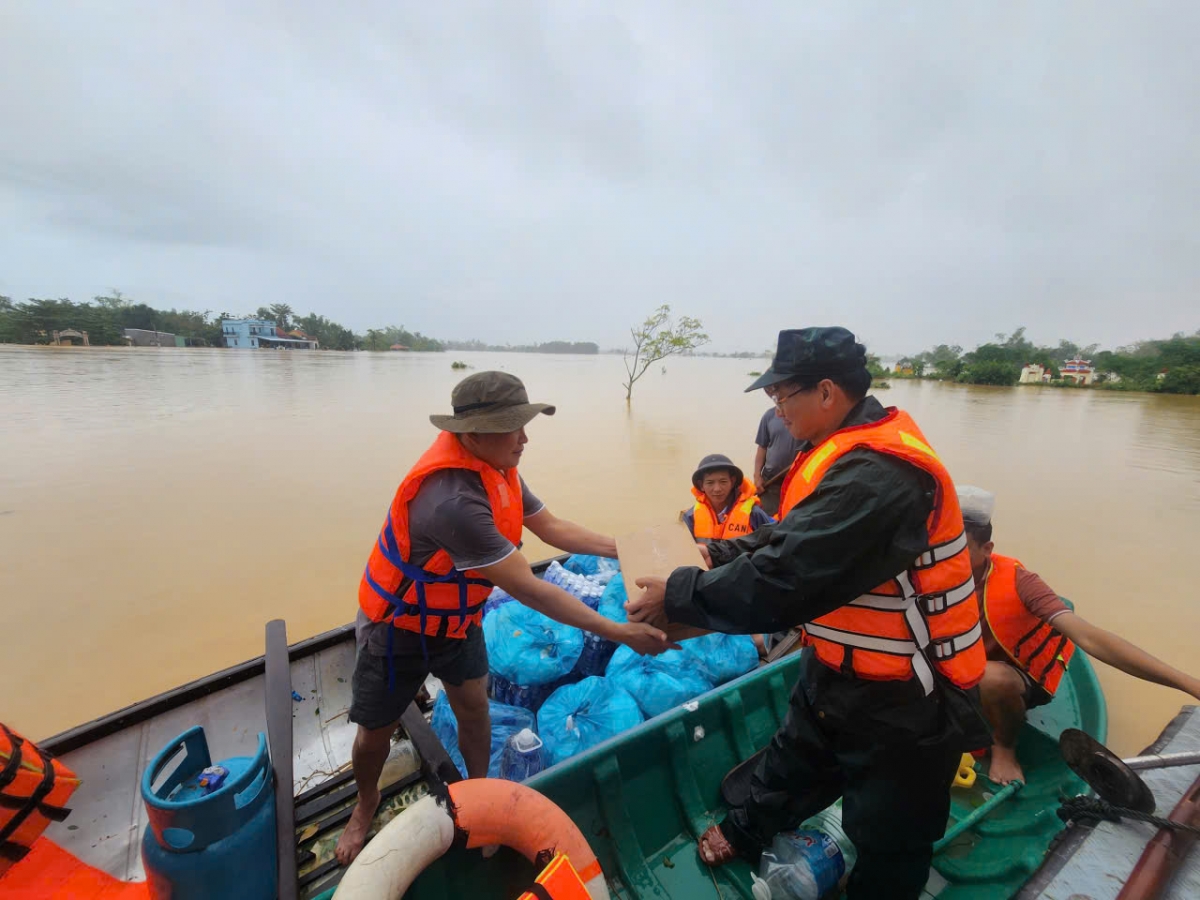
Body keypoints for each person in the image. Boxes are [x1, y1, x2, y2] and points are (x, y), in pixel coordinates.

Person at [627, 327, 990, 900]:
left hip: (908, 698)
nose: (777, 412)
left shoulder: (878, 474)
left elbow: (785, 578)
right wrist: (714, 553)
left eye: (782, 397)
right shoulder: (834, 456)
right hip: (833, 665)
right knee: (795, 756)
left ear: (825, 393)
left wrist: (680, 594)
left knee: (891, 833)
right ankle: (748, 830)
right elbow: (783, 539)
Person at [335, 371, 673, 865]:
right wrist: (618, 631)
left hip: (457, 620)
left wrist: (627, 548)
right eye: (513, 427)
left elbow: (551, 526)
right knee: (374, 732)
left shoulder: (498, 465)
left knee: (475, 709)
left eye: (525, 424)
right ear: (470, 435)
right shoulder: (452, 501)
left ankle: (481, 801)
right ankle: (365, 805)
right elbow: (528, 586)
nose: (525, 437)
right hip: (400, 626)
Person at [960, 485, 1200, 786]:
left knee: (991, 678)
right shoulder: (925, 573)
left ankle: (1004, 747)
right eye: (942, 546)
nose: (947, 557)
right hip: (953, 668)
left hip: (1002, 678)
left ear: (986, 549)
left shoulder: (1021, 583)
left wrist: (1189, 684)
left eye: (960, 548)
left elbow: (1090, 638)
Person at [682, 453, 774, 542]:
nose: (717, 489)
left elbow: (774, 541)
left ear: (732, 482)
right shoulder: (690, 517)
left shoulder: (754, 514)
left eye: (723, 481)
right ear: (701, 485)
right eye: (710, 483)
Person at [754, 406, 804, 517]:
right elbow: (762, 447)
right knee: (768, 522)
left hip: (799, 481)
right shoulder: (769, 416)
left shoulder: (805, 414)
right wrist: (757, 476)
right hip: (771, 482)